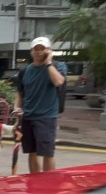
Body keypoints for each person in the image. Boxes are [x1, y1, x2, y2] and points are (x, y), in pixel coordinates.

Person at [13, 37, 66, 173]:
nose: (39, 52)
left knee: (48, 153)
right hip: (28, 116)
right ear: (31, 52)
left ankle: (48, 183)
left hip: (46, 117)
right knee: (32, 152)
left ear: (49, 50)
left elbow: (59, 82)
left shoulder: (58, 66)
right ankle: (34, 182)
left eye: (43, 48)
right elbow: (20, 93)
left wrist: (48, 63)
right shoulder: (25, 71)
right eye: (36, 49)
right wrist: (16, 108)